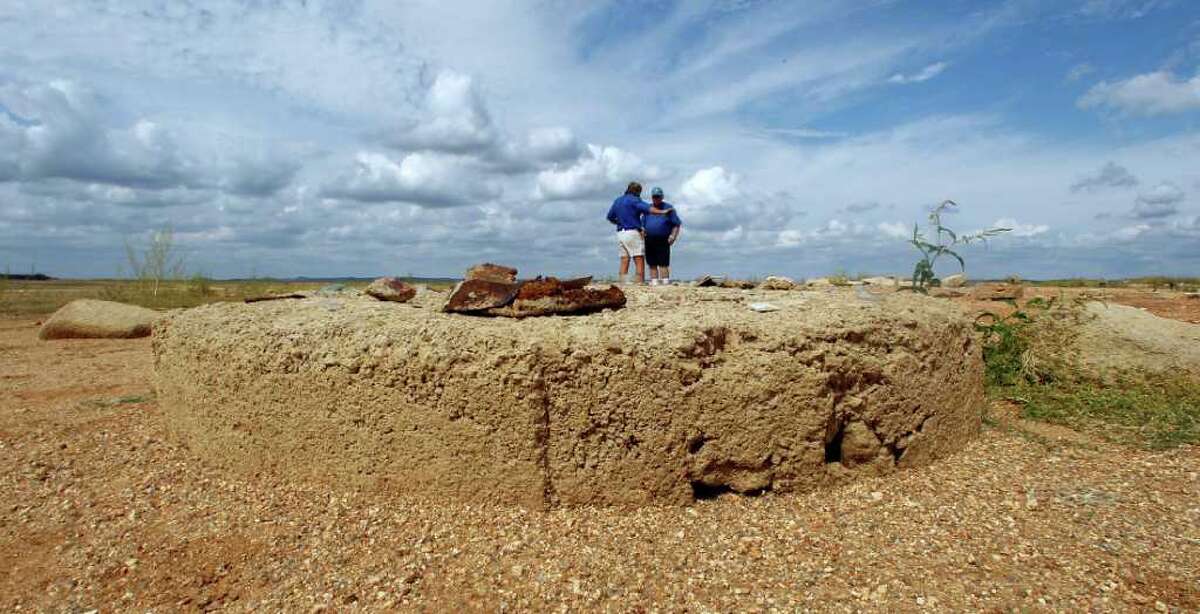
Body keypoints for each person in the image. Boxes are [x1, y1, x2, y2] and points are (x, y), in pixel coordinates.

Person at [605, 182, 669, 284]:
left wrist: (620, 222)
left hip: (620, 233)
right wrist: (662, 212)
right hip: (632, 232)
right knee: (639, 258)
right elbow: (648, 209)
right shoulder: (635, 200)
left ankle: (623, 283)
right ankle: (639, 282)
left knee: (624, 259)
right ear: (638, 191)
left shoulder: (618, 201)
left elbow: (610, 217)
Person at [643, 186, 682, 286]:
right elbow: (642, 224)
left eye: (658, 197)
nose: (656, 198)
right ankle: (654, 282)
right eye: (654, 197)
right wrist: (643, 232)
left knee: (663, 263)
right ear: (652, 197)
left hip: (663, 238)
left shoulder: (668, 208)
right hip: (649, 238)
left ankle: (665, 282)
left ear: (662, 197)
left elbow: (676, 224)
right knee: (652, 263)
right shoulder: (648, 209)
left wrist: (673, 236)